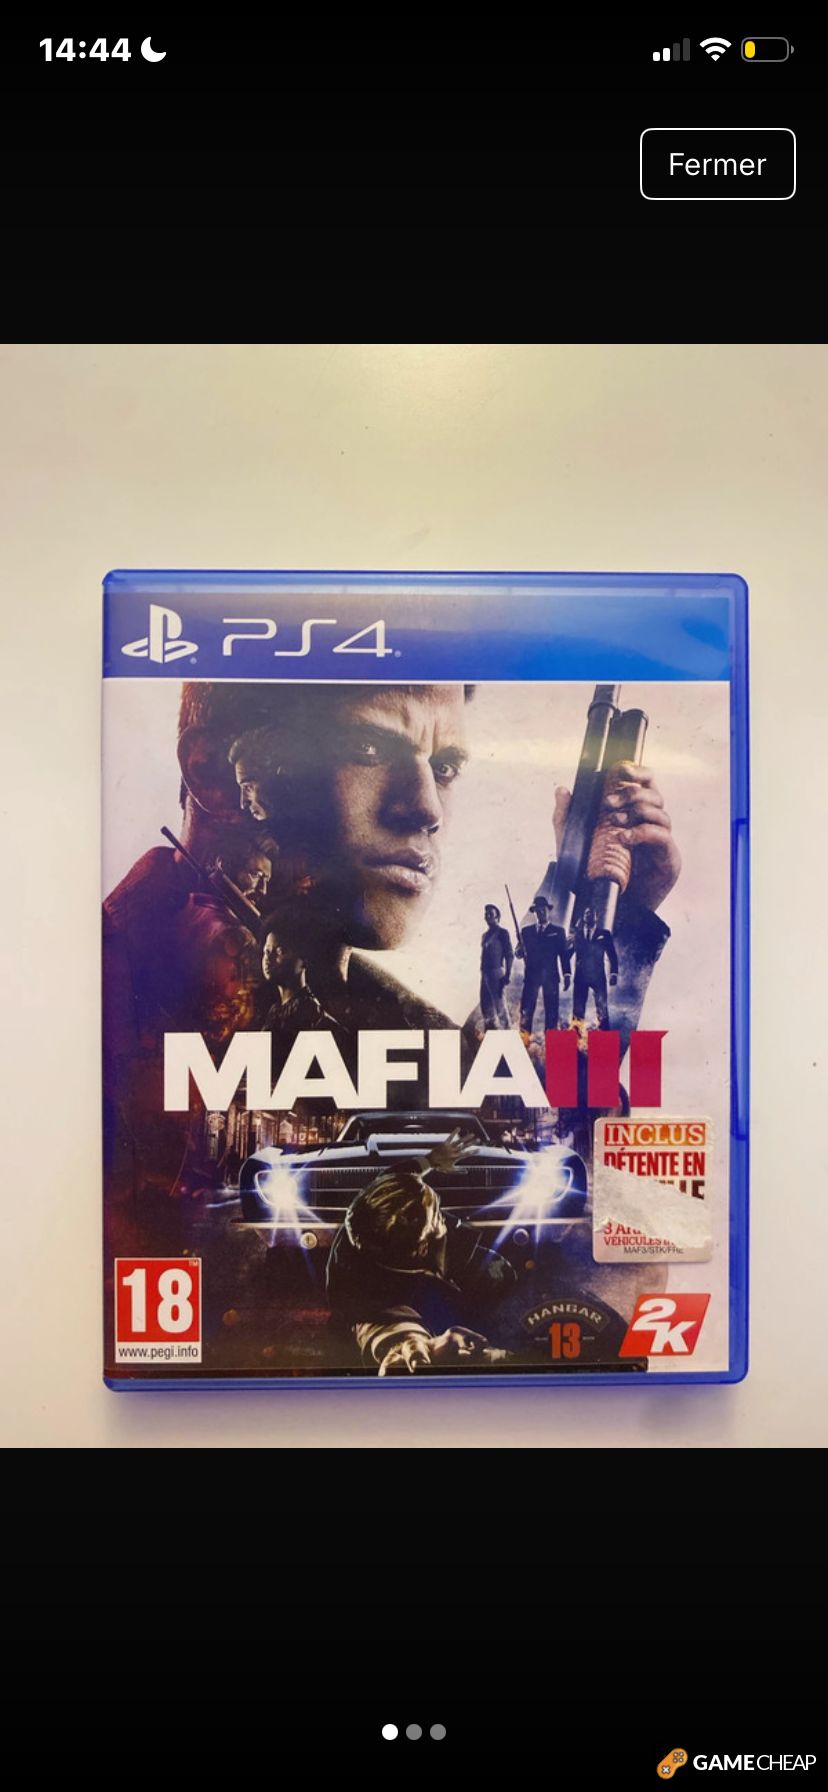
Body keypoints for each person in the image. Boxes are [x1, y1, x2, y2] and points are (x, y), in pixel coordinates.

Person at [325, 1131, 515, 1373]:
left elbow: (397, 1176)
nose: (441, 1214)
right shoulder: (358, 1292)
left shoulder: (376, 1204)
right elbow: (377, 1325)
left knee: (500, 1276)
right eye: (436, 1215)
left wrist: (431, 1160)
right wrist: (405, 1341)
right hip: (439, 1287)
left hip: (457, 1267)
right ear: (422, 1248)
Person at [517, 894, 572, 1034]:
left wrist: (567, 974)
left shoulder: (558, 932)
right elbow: (518, 951)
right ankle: (524, 1041)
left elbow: (564, 955)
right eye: (538, 910)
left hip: (551, 977)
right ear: (534, 912)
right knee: (526, 1011)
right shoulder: (526, 931)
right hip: (531, 976)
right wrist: (519, 952)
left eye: (543, 909)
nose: (541, 912)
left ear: (548, 910)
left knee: (552, 1012)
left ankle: (551, 1041)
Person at [571, 906, 619, 1029]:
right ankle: (576, 1037)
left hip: (598, 976)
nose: (589, 915)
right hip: (581, 977)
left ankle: (604, 1036)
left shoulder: (604, 934)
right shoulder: (577, 934)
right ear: (583, 917)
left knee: (602, 1008)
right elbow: (568, 954)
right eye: (586, 913)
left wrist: (614, 973)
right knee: (578, 1010)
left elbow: (612, 955)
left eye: (591, 913)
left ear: (596, 917)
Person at [479, 904, 514, 1028]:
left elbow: (509, 954)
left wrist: (508, 974)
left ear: (497, 917)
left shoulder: (503, 933)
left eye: (491, 914)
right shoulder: (485, 935)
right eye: (486, 914)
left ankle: (508, 1035)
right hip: (485, 975)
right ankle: (492, 1035)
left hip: (496, 974)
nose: (488, 916)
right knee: (486, 1009)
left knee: (501, 1010)